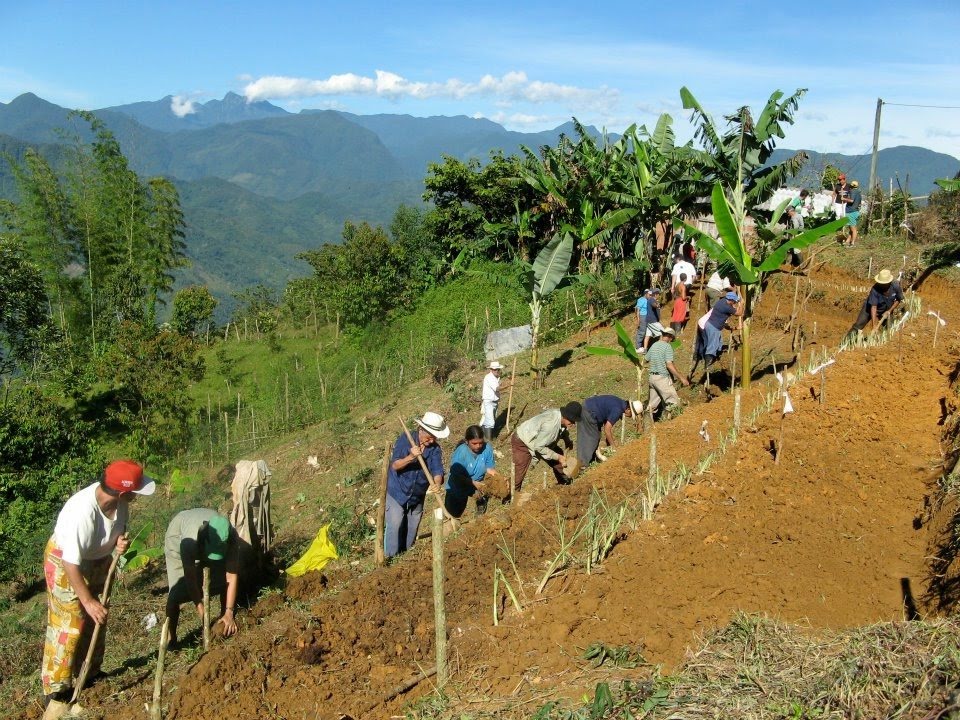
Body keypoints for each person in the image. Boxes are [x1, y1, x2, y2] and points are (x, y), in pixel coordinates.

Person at [41, 460, 155, 708]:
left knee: (98, 615)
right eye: (136, 491)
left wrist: (119, 544)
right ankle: (57, 689)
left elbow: (114, 532)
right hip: (65, 563)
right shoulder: (80, 512)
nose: (138, 495)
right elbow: (70, 563)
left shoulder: (121, 503)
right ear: (124, 492)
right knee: (69, 621)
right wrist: (87, 600)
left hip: (98, 560)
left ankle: (90, 673)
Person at [164, 509, 240, 649]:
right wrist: (201, 609)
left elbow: (231, 575)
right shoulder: (189, 542)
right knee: (176, 594)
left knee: (222, 581)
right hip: (178, 536)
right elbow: (190, 579)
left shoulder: (231, 536)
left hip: (211, 542)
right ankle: (171, 638)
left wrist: (229, 611)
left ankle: (224, 618)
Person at [385, 411, 448, 558]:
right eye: (429, 437)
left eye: (434, 438)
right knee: (395, 524)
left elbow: (437, 470)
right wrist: (411, 457)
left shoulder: (434, 449)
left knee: (412, 530)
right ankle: (389, 562)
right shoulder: (405, 440)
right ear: (421, 430)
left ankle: (405, 558)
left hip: (417, 494)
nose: (431, 441)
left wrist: (437, 483)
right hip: (398, 490)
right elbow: (395, 465)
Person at [511, 402, 581, 493]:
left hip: (541, 440)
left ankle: (565, 485)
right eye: (572, 421)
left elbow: (562, 429)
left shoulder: (560, 418)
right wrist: (559, 457)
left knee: (560, 459)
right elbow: (539, 447)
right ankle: (511, 498)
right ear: (565, 416)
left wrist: (566, 439)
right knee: (519, 473)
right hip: (523, 441)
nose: (573, 424)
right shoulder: (551, 425)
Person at [444, 425, 496, 518]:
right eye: (474, 443)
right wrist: (472, 482)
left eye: (480, 443)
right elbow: (456, 474)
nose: (478, 446)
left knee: (482, 498)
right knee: (453, 515)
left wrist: (497, 479)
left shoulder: (487, 448)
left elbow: (490, 469)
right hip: (458, 486)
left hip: (477, 483)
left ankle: (479, 520)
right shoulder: (461, 452)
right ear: (467, 441)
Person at [576, 396, 643, 466]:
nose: (629, 417)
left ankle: (592, 459)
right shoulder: (618, 410)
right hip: (589, 411)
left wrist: (608, 442)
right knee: (591, 437)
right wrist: (613, 447)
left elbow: (606, 417)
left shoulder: (619, 402)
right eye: (630, 415)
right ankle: (582, 465)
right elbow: (607, 429)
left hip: (589, 407)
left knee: (596, 435)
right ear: (628, 409)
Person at [693, 291, 743, 379]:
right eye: (734, 301)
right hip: (713, 327)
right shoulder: (726, 307)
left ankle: (714, 358)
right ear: (730, 300)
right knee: (712, 345)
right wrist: (741, 304)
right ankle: (708, 365)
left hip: (711, 325)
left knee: (719, 343)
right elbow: (739, 313)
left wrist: (734, 328)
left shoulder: (722, 301)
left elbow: (725, 324)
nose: (735, 303)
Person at [645, 326, 690, 418]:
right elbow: (669, 365)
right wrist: (681, 378)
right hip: (661, 378)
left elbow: (646, 359)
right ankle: (672, 424)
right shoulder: (667, 346)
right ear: (670, 337)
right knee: (674, 402)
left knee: (651, 407)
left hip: (652, 379)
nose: (670, 341)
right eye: (671, 339)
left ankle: (645, 426)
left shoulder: (654, 345)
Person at [846, 269, 904, 338]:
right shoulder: (875, 289)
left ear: (889, 282)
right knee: (858, 325)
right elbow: (873, 307)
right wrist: (874, 326)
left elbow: (898, 299)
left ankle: (882, 343)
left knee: (890, 328)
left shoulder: (896, 286)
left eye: (884, 284)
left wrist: (889, 311)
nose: (882, 285)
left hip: (886, 310)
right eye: (881, 283)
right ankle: (845, 342)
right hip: (869, 309)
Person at [480, 361, 505, 442]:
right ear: (491, 369)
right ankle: (489, 439)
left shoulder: (495, 377)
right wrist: (508, 386)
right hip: (489, 402)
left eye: (498, 369)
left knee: (490, 419)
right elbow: (497, 388)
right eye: (495, 370)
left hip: (494, 401)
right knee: (490, 421)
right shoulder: (489, 377)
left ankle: (483, 435)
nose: (497, 371)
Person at [845, 180, 862, 246]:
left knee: (853, 229)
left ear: (851, 186)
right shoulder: (858, 193)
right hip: (855, 212)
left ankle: (852, 243)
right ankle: (848, 241)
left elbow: (851, 200)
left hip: (851, 212)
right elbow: (859, 203)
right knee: (851, 228)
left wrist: (844, 199)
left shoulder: (853, 191)